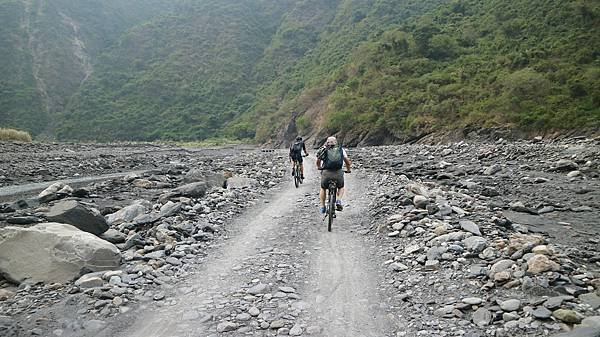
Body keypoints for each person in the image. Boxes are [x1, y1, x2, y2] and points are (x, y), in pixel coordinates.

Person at [316, 136, 351, 214]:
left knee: (323, 188)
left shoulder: (324, 149)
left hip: (326, 173)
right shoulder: (340, 149)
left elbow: (318, 160)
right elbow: (347, 162)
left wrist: (319, 167)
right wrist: (348, 169)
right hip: (338, 172)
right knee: (341, 187)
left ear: (327, 142)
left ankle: (322, 206)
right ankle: (338, 200)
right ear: (336, 142)